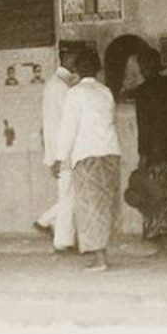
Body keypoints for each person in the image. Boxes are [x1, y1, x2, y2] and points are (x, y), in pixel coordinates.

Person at [56, 47, 122, 272]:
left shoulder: (74, 94)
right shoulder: (106, 92)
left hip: (87, 155)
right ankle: (100, 254)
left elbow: (68, 129)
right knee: (104, 205)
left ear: (76, 70)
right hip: (110, 153)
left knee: (88, 207)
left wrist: (60, 158)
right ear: (98, 69)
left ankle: (99, 259)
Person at [133, 47, 167, 256]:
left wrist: (142, 156)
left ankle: (163, 247)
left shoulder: (142, 91)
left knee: (156, 197)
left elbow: (144, 127)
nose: (141, 69)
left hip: (155, 152)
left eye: (142, 65)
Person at [34, 50, 78, 252]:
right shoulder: (61, 87)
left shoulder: (55, 83)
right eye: (75, 59)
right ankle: (61, 239)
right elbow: (64, 124)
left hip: (59, 148)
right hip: (64, 149)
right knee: (69, 195)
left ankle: (47, 222)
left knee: (69, 194)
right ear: (67, 59)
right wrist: (59, 156)